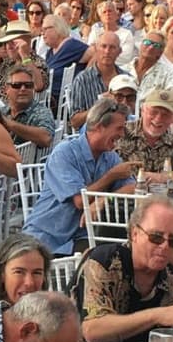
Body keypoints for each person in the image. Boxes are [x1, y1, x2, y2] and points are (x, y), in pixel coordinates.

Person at [73, 194, 173, 342]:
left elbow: (170, 336)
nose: (165, 246)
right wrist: (156, 315)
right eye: (156, 237)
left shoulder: (171, 276)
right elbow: (92, 330)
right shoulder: (105, 262)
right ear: (134, 234)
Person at [25, 96, 136, 254]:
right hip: (47, 238)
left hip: (83, 236)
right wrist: (111, 176)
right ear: (99, 127)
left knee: (120, 253)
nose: (123, 134)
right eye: (119, 128)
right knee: (106, 256)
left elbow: (132, 187)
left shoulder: (110, 157)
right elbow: (79, 201)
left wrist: (103, 201)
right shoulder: (64, 153)